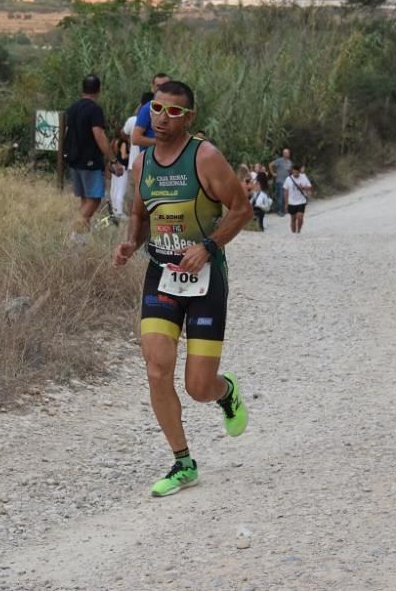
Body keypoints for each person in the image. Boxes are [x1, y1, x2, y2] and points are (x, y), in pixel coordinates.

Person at [112, 81, 253, 498]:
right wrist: (129, 243)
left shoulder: (204, 157)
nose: (162, 117)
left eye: (173, 112)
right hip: (162, 275)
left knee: (197, 387)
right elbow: (141, 213)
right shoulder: (143, 164)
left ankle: (224, 392)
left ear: (188, 117)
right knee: (157, 367)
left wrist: (208, 246)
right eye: (157, 108)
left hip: (206, 279)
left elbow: (241, 208)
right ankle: (183, 462)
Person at [63, 74, 123, 240]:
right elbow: (99, 135)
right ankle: (74, 237)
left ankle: (82, 241)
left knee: (85, 200)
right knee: (95, 199)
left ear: (82, 88)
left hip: (75, 161)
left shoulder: (73, 108)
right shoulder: (94, 109)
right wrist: (113, 160)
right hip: (89, 161)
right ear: (98, 90)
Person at [130, 72, 172, 159]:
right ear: (152, 87)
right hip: (151, 161)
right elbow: (136, 139)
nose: (162, 89)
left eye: (166, 85)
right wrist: (162, 142)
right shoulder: (148, 108)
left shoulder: (174, 108)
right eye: (158, 86)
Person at [124, 92, 154, 169]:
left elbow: (123, 133)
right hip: (148, 164)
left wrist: (128, 141)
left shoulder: (132, 120)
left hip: (134, 164)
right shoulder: (154, 121)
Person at [108, 125, 131, 219]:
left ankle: (114, 209)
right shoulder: (124, 142)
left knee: (115, 188)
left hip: (115, 166)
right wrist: (132, 153)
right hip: (122, 167)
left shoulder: (115, 142)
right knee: (121, 189)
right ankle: (119, 212)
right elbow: (124, 156)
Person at [283, 164, 313, 233]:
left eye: (297, 172)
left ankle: (298, 230)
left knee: (300, 217)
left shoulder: (304, 177)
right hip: (291, 202)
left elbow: (309, 187)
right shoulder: (288, 179)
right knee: (293, 218)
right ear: (292, 171)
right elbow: (285, 191)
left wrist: (303, 188)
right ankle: (293, 233)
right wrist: (286, 203)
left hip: (301, 201)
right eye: (294, 172)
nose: (295, 174)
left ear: (299, 172)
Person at [269, 148, 292, 216]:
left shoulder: (290, 162)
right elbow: (270, 164)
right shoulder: (279, 160)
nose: (287, 154)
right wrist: (273, 173)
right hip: (280, 181)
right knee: (280, 196)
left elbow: (290, 171)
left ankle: (284, 210)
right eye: (285, 153)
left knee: (285, 196)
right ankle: (279, 211)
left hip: (287, 181)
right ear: (283, 154)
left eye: (288, 153)